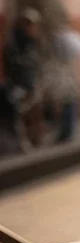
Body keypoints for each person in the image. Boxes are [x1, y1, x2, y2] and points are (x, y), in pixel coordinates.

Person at [1, 9, 45, 151]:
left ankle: (36, 140)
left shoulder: (34, 43)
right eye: (28, 25)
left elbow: (39, 64)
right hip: (18, 86)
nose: (32, 28)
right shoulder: (13, 44)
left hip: (32, 84)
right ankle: (22, 143)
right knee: (17, 115)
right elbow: (13, 65)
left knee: (35, 113)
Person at [47, 11, 80, 143]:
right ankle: (68, 131)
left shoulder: (60, 39)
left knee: (66, 105)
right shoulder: (76, 38)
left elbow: (56, 58)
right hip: (73, 76)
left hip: (65, 77)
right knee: (71, 105)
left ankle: (65, 132)